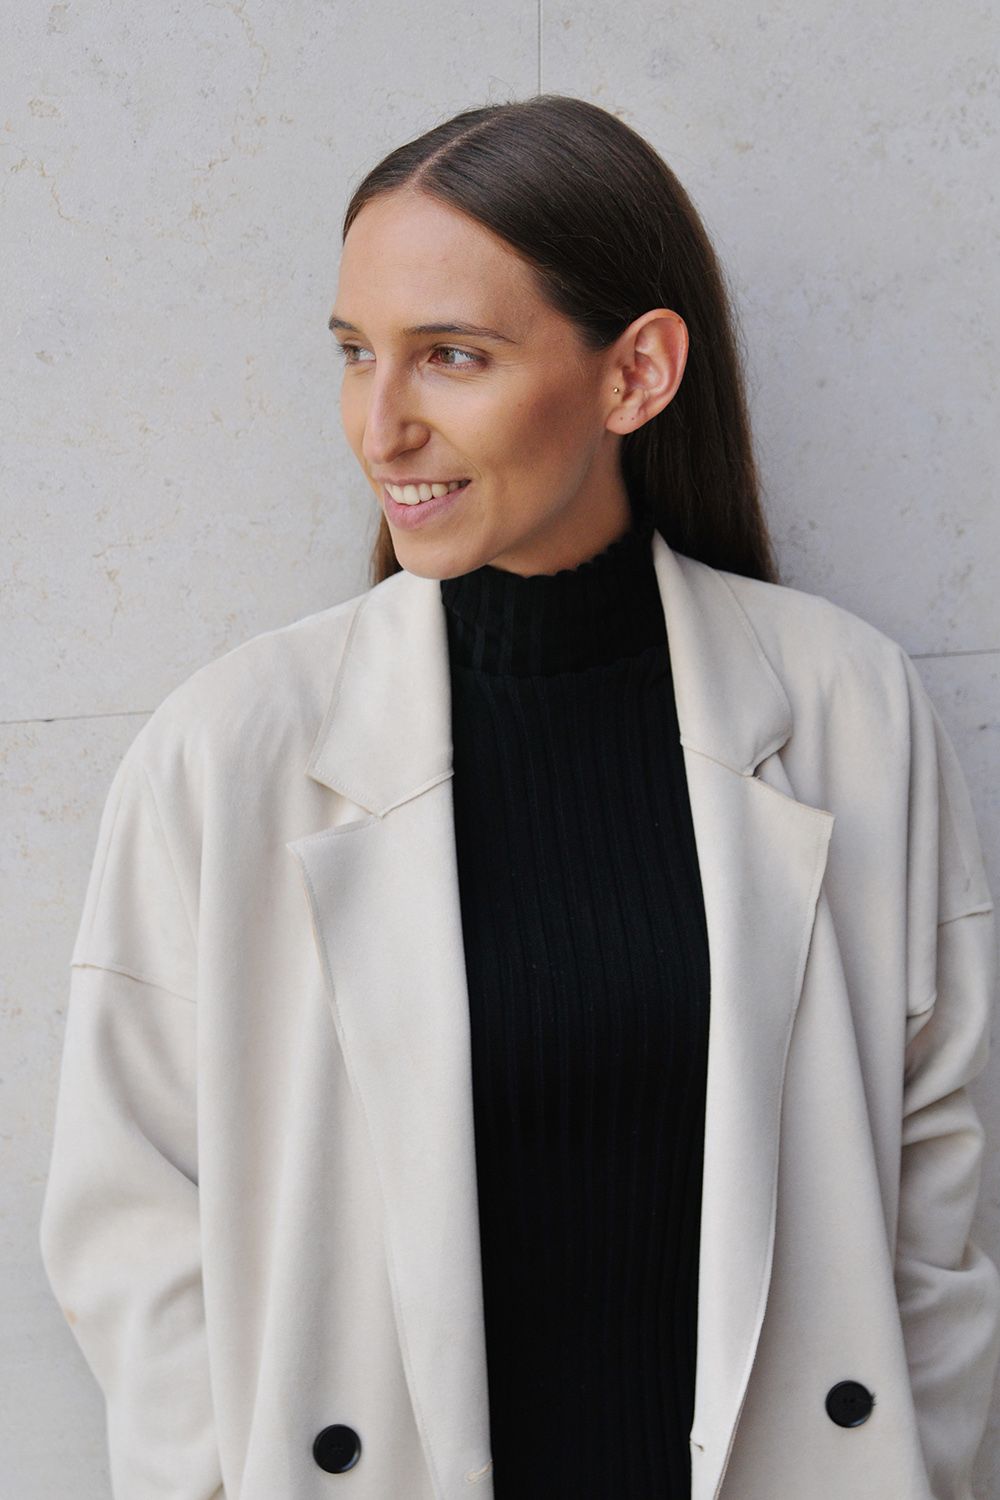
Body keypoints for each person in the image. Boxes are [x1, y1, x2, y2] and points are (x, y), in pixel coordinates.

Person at [39, 93, 999, 1500]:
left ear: (636, 374)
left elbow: (939, 1186)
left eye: (452, 357)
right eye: (355, 353)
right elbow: (126, 1225)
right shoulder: (230, 751)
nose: (381, 426)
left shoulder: (850, 708)